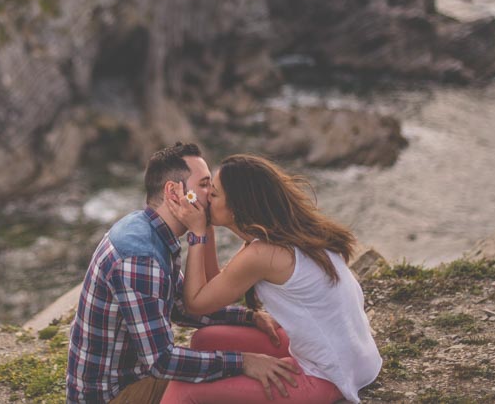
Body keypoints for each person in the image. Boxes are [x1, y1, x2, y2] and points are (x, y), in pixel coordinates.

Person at [66, 143, 301, 403]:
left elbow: (180, 305)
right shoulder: (140, 257)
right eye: (203, 184)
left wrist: (248, 317)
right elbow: (161, 362)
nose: (211, 193)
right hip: (114, 395)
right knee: (230, 385)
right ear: (174, 192)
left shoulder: (150, 230)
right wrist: (244, 362)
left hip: (134, 378)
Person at [161, 154, 382, 404]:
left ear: (238, 206)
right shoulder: (286, 234)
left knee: (185, 390)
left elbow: (196, 304)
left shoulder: (262, 254)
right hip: (357, 359)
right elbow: (216, 290)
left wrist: (197, 235)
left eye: (214, 194)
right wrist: (208, 227)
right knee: (204, 339)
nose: (207, 199)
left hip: (327, 377)